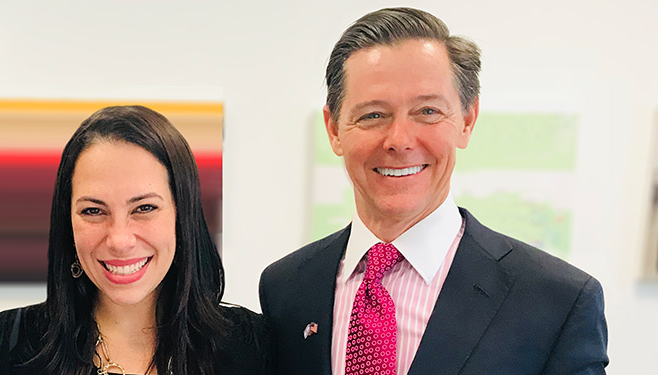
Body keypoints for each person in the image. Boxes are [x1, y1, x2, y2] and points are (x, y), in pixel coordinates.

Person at [259, 7, 608, 375]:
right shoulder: (286, 288)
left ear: (467, 121)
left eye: (427, 111)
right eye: (372, 115)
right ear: (333, 129)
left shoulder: (556, 302)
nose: (399, 140)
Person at [0, 105, 269, 375]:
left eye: (145, 208)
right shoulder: (10, 345)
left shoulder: (249, 347)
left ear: (183, 215)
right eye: (93, 211)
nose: (119, 240)